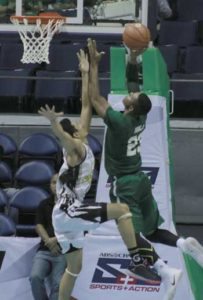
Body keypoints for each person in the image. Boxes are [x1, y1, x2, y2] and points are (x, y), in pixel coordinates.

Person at [38, 49, 161, 300]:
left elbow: (87, 102)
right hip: (67, 210)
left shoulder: (81, 136)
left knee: (74, 269)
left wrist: (85, 73)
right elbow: (63, 136)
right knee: (122, 210)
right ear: (73, 134)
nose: (81, 126)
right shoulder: (74, 149)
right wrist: (53, 123)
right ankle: (137, 260)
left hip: (64, 217)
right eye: (76, 127)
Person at [87, 37, 203, 299]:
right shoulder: (139, 114)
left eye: (132, 96)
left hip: (124, 183)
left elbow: (94, 97)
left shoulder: (119, 122)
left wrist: (93, 66)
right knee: (151, 230)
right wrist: (132, 59)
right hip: (140, 179)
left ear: (128, 106)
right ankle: (183, 243)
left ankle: (162, 269)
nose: (132, 91)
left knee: (130, 233)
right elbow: (133, 85)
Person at [29, 173, 66, 300]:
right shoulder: (44, 204)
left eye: (59, 182)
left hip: (63, 251)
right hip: (44, 249)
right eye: (53, 182)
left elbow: (75, 228)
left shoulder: (72, 204)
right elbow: (39, 225)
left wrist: (56, 240)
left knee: (58, 283)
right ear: (50, 185)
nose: (56, 186)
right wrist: (49, 241)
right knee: (35, 277)